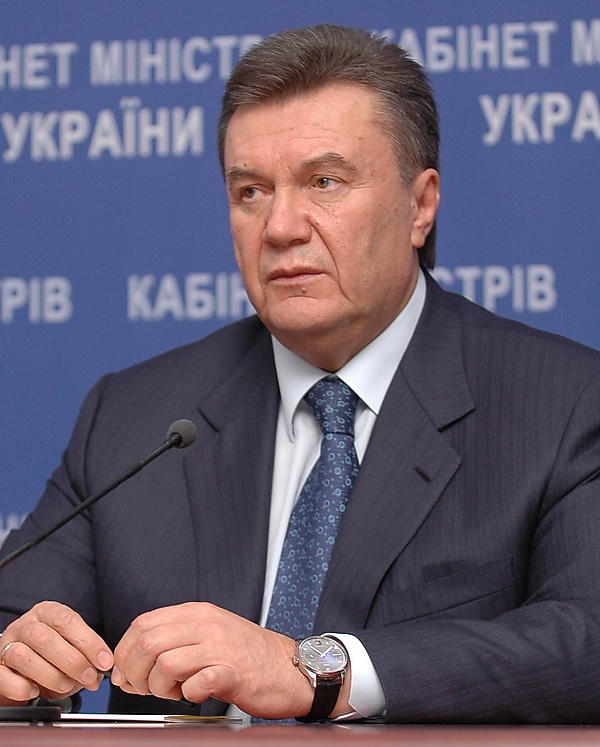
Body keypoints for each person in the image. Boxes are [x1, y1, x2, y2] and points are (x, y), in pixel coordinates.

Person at [0, 23, 599, 724]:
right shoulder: (134, 413)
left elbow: (585, 636)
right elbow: (14, 618)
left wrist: (319, 669)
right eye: (251, 191)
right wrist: (18, 657)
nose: (280, 227)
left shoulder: (561, 403)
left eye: (325, 182)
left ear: (421, 205)